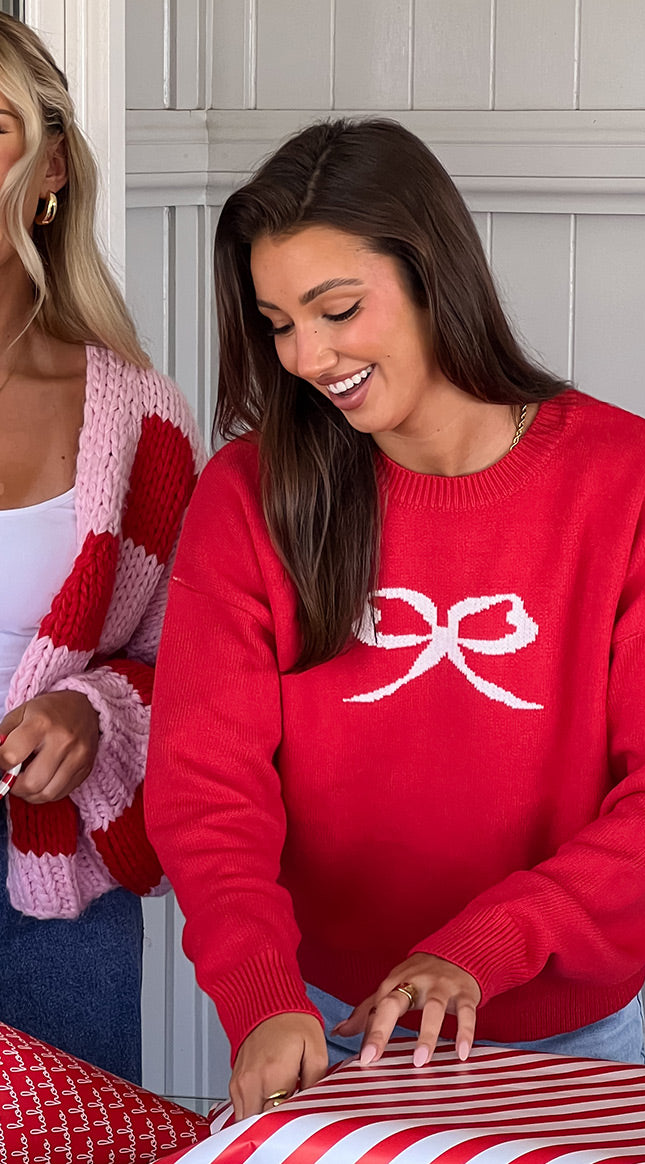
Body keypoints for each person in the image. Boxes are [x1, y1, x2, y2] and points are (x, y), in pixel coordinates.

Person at [145, 118, 645, 1119]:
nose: (307, 355)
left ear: (434, 277)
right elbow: (207, 788)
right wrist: (261, 996)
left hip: (568, 1036)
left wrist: (482, 948)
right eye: (278, 323)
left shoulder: (633, 480)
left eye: (337, 309)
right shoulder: (247, 494)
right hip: (326, 1026)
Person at [0, 14, 204, 1083]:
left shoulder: (142, 424)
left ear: (51, 170)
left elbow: (199, 670)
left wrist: (92, 709)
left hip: (57, 895)